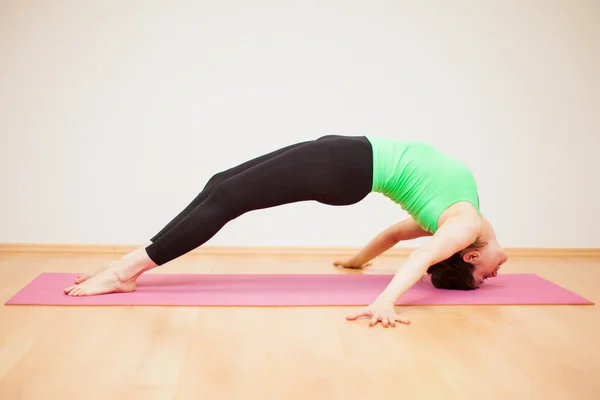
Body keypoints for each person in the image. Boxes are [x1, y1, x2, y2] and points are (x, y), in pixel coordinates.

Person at [64, 134, 507, 327]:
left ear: (468, 254)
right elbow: (394, 235)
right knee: (221, 183)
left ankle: (125, 272)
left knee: (226, 199)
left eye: (485, 275)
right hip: (345, 157)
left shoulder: (464, 227)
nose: (496, 271)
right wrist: (355, 262)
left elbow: (417, 256)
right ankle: (133, 262)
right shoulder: (455, 216)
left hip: (344, 166)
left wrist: (384, 300)